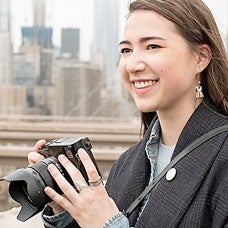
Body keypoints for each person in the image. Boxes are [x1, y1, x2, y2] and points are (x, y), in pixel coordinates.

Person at [28, 0, 228, 227]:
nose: (132, 65)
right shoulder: (127, 163)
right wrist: (67, 208)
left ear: (201, 57)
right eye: (126, 50)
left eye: (153, 46)